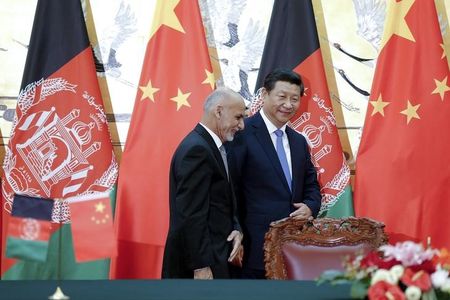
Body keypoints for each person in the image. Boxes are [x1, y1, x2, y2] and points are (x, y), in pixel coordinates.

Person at [229, 69, 321, 279]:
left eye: (294, 99)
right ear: (264, 95)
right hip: (253, 249)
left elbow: (312, 186)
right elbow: (229, 190)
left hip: (295, 248)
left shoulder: (298, 140)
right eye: (282, 97)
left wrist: (310, 206)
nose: (288, 104)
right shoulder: (241, 133)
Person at [162, 87, 246, 279]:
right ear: (218, 112)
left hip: (216, 255)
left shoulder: (213, 146)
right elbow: (191, 215)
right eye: (238, 117)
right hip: (200, 265)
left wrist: (236, 228)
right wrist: (200, 265)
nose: (242, 125)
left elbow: (223, 201)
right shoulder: (197, 150)